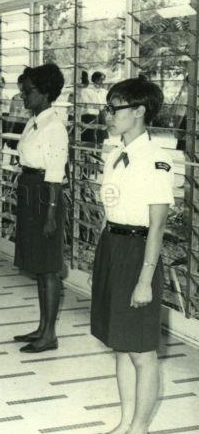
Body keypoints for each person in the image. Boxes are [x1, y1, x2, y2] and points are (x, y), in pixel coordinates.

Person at [92, 79, 173, 434]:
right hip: (112, 246)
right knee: (120, 345)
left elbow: (156, 227)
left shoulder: (156, 158)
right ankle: (125, 422)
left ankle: (140, 428)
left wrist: (144, 280)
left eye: (115, 109)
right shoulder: (115, 155)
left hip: (139, 252)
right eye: (108, 108)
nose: (108, 115)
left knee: (141, 350)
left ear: (139, 111)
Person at [13, 63, 69, 353]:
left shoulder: (54, 126)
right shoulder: (34, 121)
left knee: (48, 269)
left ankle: (50, 335)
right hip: (30, 191)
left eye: (28, 91)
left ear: (46, 92)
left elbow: (56, 177)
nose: (23, 95)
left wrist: (50, 216)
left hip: (46, 196)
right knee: (38, 266)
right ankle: (42, 327)